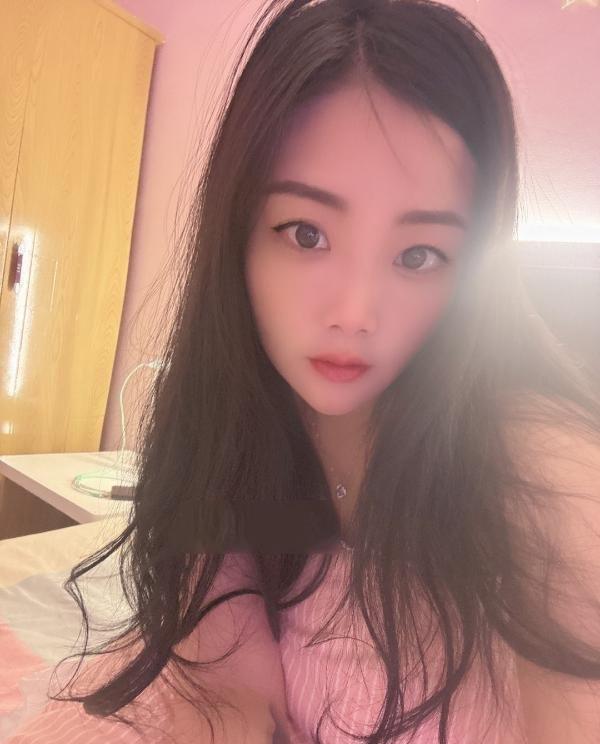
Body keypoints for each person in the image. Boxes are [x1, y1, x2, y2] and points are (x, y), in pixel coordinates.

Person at [8, 0, 600, 742]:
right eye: (307, 233)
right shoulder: (243, 421)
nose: (355, 312)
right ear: (237, 234)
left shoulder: (544, 471)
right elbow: (214, 640)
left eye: (419, 255)